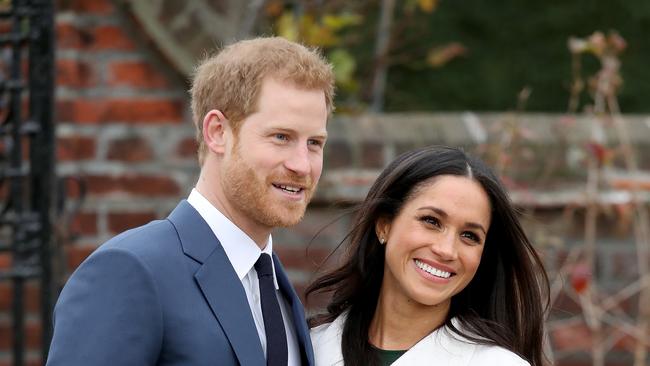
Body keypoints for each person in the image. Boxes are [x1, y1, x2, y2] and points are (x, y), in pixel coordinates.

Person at [47, 37, 334, 366]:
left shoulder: (275, 287)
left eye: (314, 142)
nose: (302, 164)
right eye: (281, 137)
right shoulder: (130, 270)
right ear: (217, 132)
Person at [306, 146, 549, 366]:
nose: (446, 250)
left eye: (469, 236)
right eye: (431, 221)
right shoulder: (307, 348)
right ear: (384, 225)